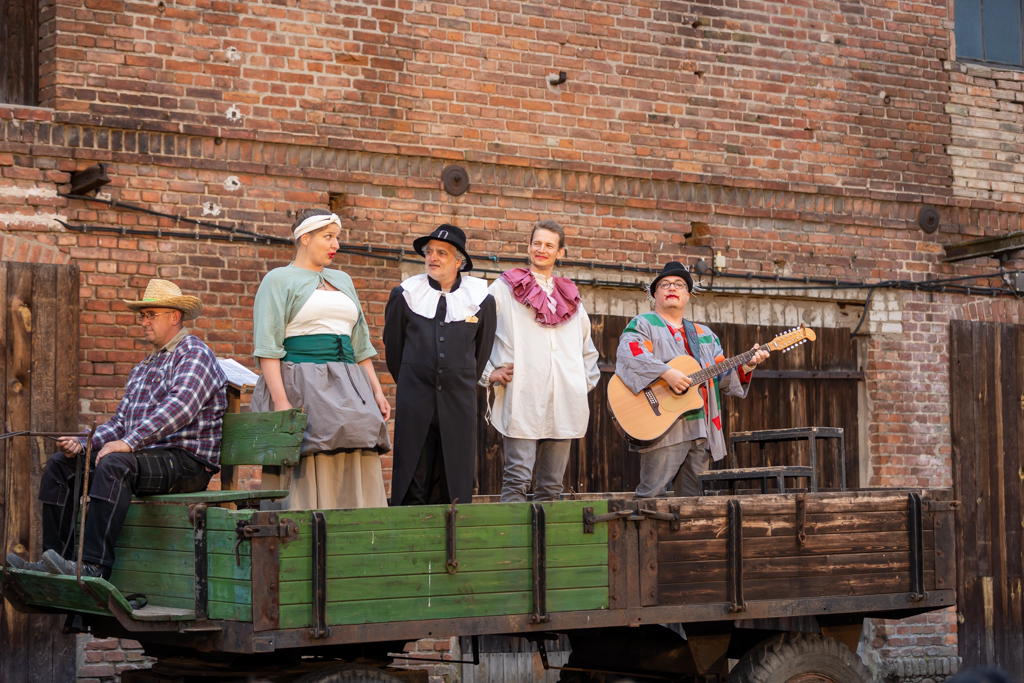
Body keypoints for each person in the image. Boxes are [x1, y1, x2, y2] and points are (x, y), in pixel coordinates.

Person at [5, 279, 228, 577]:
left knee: (114, 463)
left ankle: (94, 566)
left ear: (175, 316)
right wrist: (84, 444)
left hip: (188, 463)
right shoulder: (143, 367)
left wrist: (129, 442)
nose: (143, 322)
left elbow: (180, 408)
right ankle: (55, 562)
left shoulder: (194, 354)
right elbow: (121, 423)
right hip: (145, 458)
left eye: (151, 314)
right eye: (142, 315)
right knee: (61, 466)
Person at [251, 209, 390, 510]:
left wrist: (377, 391)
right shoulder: (279, 279)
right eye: (328, 237)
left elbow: (360, 343)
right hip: (303, 382)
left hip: (350, 384)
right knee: (311, 456)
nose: (335, 245)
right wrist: (281, 402)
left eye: (336, 238)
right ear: (305, 237)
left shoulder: (342, 279)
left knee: (357, 446)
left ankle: (356, 530)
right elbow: (268, 347)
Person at [614, 262, 770, 498]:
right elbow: (630, 355)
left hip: (701, 430)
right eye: (664, 284)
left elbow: (722, 378)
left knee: (692, 504)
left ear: (688, 295)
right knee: (650, 497)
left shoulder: (706, 335)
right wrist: (666, 373)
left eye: (679, 284)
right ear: (655, 293)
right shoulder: (643, 324)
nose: (671, 288)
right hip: (664, 428)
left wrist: (748, 364)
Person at [481, 220, 600, 502]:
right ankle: (511, 546)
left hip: (564, 400)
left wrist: (578, 384)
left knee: (552, 487)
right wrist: (489, 372)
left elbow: (588, 350)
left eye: (549, 245)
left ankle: (543, 547)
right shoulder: (504, 288)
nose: (541, 249)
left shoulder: (571, 298)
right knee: (516, 480)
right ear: (528, 247)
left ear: (560, 252)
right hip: (523, 394)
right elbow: (476, 332)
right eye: (537, 243)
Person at [384, 224, 497, 506]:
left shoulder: (482, 301)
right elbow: (394, 350)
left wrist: (458, 378)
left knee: (454, 477)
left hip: (458, 400)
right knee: (414, 475)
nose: (432, 258)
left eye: (442, 253)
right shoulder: (405, 295)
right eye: (429, 252)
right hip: (415, 398)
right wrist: (414, 378)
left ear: (459, 262)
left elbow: (480, 354)